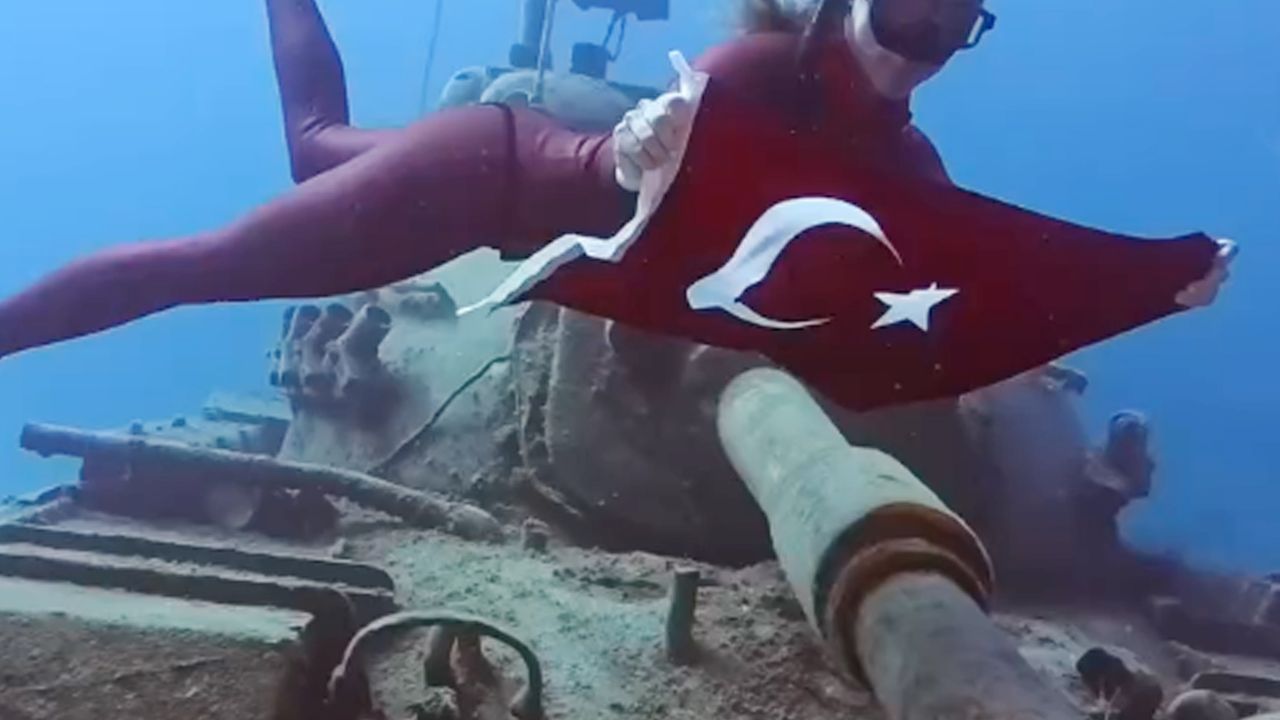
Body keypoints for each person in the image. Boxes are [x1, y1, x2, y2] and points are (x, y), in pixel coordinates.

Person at [0, 0, 1231, 364]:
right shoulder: (764, 66)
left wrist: (1133, 289)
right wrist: (642, 147)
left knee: (314, 143)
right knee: (205, 268)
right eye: (907, 9)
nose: (922, 41)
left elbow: (950, 259)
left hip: (501, 180)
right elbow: (679, 140)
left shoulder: (904, 163)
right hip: (479, 177)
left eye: (954, 24)